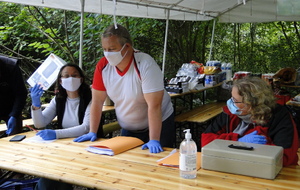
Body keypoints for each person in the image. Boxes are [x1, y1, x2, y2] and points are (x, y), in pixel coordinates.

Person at [74, 24, 175, 153]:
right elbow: (97, 101)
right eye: (105, 49)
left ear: (127, 46)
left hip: (159, 124)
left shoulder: (144, 64)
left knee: (158, 162)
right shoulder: (103, 66)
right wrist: (92, 131)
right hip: (128, 127)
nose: (107, 54)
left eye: (112, 49)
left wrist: (154, 139)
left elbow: (154, 105)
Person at [201, 77, 298, 167]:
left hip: (268, 172)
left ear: (251, 104)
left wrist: (227, 146)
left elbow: (285, 157)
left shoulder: (279, 116)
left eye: (235, 100)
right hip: (231, 166)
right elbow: (206, 141)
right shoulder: (229, 113)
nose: (230, 103)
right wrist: (238, 141)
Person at [30, 63, 94, 190]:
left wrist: (56, 134)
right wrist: (36, 105)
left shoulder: (91, 98)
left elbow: (86, 127)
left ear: (81, 79)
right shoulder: (58, 99)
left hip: (87, 148)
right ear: (60, 80)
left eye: (74, 75)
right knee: (48, 182)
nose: (70, 79)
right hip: (64, 148)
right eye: (66, 76)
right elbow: (40, 123)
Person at [0, 55, 27, 137]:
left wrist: (14, 115)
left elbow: (21, 93)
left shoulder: (11, 66)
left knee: (15, 136)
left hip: (11, 105)